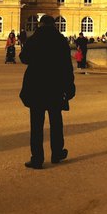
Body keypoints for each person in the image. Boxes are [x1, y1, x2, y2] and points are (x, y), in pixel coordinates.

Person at [19, 15, 75, 169]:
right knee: (56, 121)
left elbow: (23, 57)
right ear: (54, 24)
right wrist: (70, 86)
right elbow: (67, 65)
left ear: (40, 24)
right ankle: (57, 153)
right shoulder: (61, 40)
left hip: (36, 86)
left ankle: (37, 158)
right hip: (55, 86)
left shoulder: (34, 39)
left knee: (36, 125)